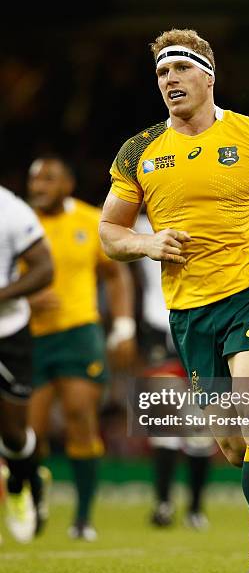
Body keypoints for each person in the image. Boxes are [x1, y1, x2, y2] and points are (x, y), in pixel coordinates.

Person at [99, 29, 249, 573]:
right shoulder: (140, 150)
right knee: (233, 446)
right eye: (161, 74)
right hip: (189, 313)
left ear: (208, 74)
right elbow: (109, 232)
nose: (170, 81)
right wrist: (147, 243)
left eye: (180, 70)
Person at [26, 156, 136, 541]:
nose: (38, 186)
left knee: (80, 419)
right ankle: (34, 499)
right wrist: (23, 302)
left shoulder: (91, 221)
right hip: (30, 337)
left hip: (79, 333)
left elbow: (115, 274)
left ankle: (83, 518)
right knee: (30, 435)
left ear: (67, 185)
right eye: (34, 180)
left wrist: (122, 327)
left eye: (48, 179)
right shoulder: (19, 224)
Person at [135, 211, 215, 530]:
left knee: (198, 426)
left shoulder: (208, 214)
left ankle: (195, 508)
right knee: (165, 423)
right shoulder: (140, 224)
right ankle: (164, 504)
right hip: (159, 324)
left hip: (203, 324)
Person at [0, 184, 53, 542]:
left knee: (14, 434)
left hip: (7, 331)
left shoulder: (9, 207)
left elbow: (44, 269)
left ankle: (24, 481)